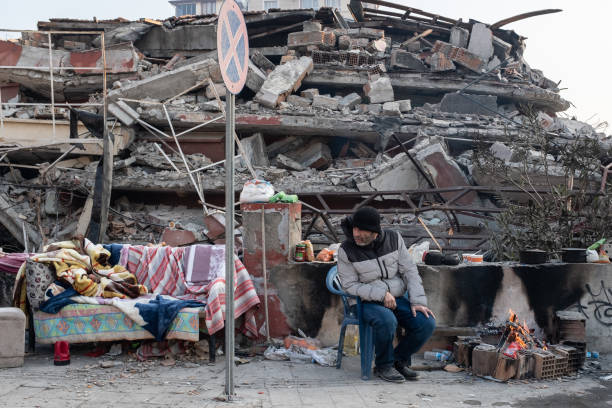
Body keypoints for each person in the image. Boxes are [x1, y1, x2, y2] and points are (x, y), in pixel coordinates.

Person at [337, 206, 436, 383]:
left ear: (375, 233)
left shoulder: (393, 239)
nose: (356, 234)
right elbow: (349, 285)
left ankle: (397, 360)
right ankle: (384, 365)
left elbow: (410, 271)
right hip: (364, 301)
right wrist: (381, 294)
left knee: (426, 322)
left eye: (362, 231)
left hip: (396, 297)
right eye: (355, 228)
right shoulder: (346, 249)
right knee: (386, 319)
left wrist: (418, 301)